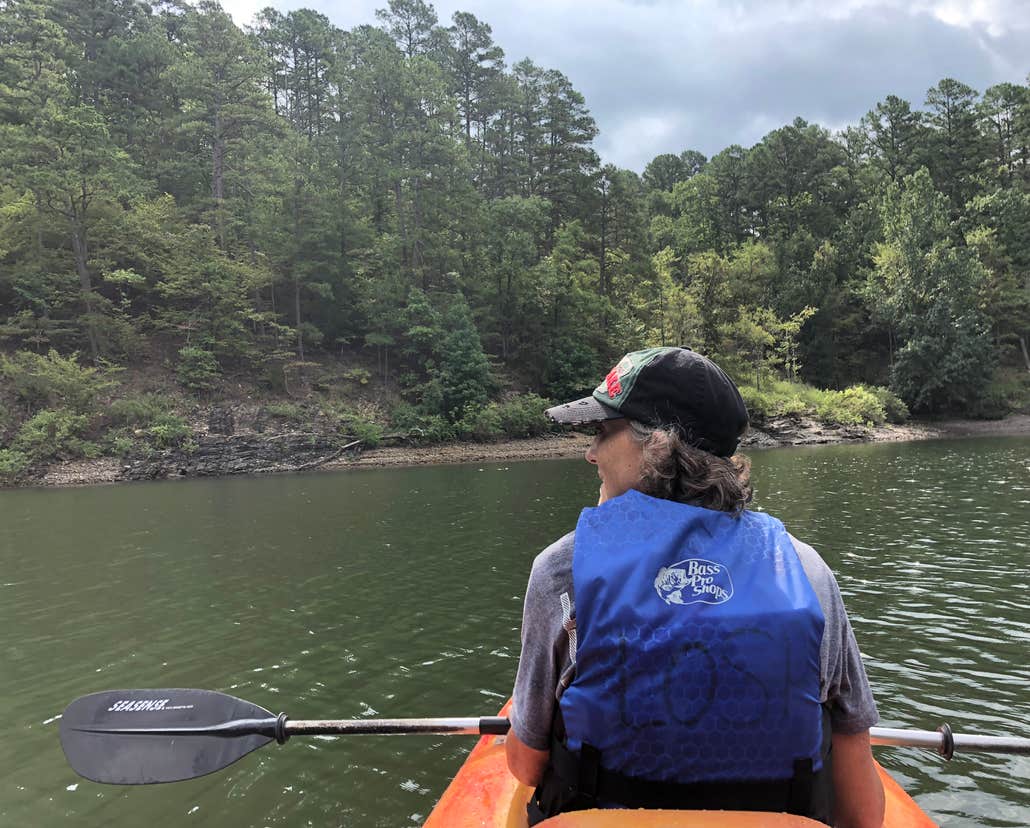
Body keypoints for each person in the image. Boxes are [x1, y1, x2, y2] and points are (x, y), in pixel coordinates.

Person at [505, 346, 885, 828]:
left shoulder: (563, 570)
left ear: (657, 444)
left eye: (602, 432)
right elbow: (862, 805)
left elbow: (526, 764)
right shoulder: (806, 570)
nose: (590, 453)